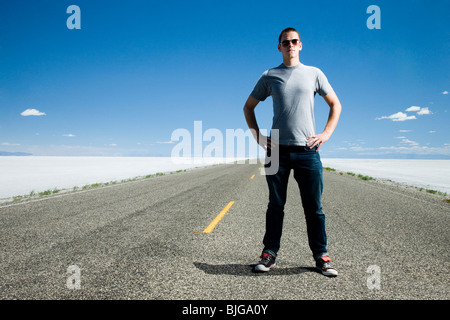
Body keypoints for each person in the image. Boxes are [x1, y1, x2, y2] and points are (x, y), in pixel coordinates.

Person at [243, 27, 342, 277]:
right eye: (285, 42)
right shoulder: (270, 75)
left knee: (314, 207)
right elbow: (248, 106)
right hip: (276, 150)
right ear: (279, 47)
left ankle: (321, 256)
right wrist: (257, 136)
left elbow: (335, 104)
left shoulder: (314, 73)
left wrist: (326, 133)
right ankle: (269, 254)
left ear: (301, 45)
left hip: (308, 150)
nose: (290, 45)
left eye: (294, 41)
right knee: (275, 205)